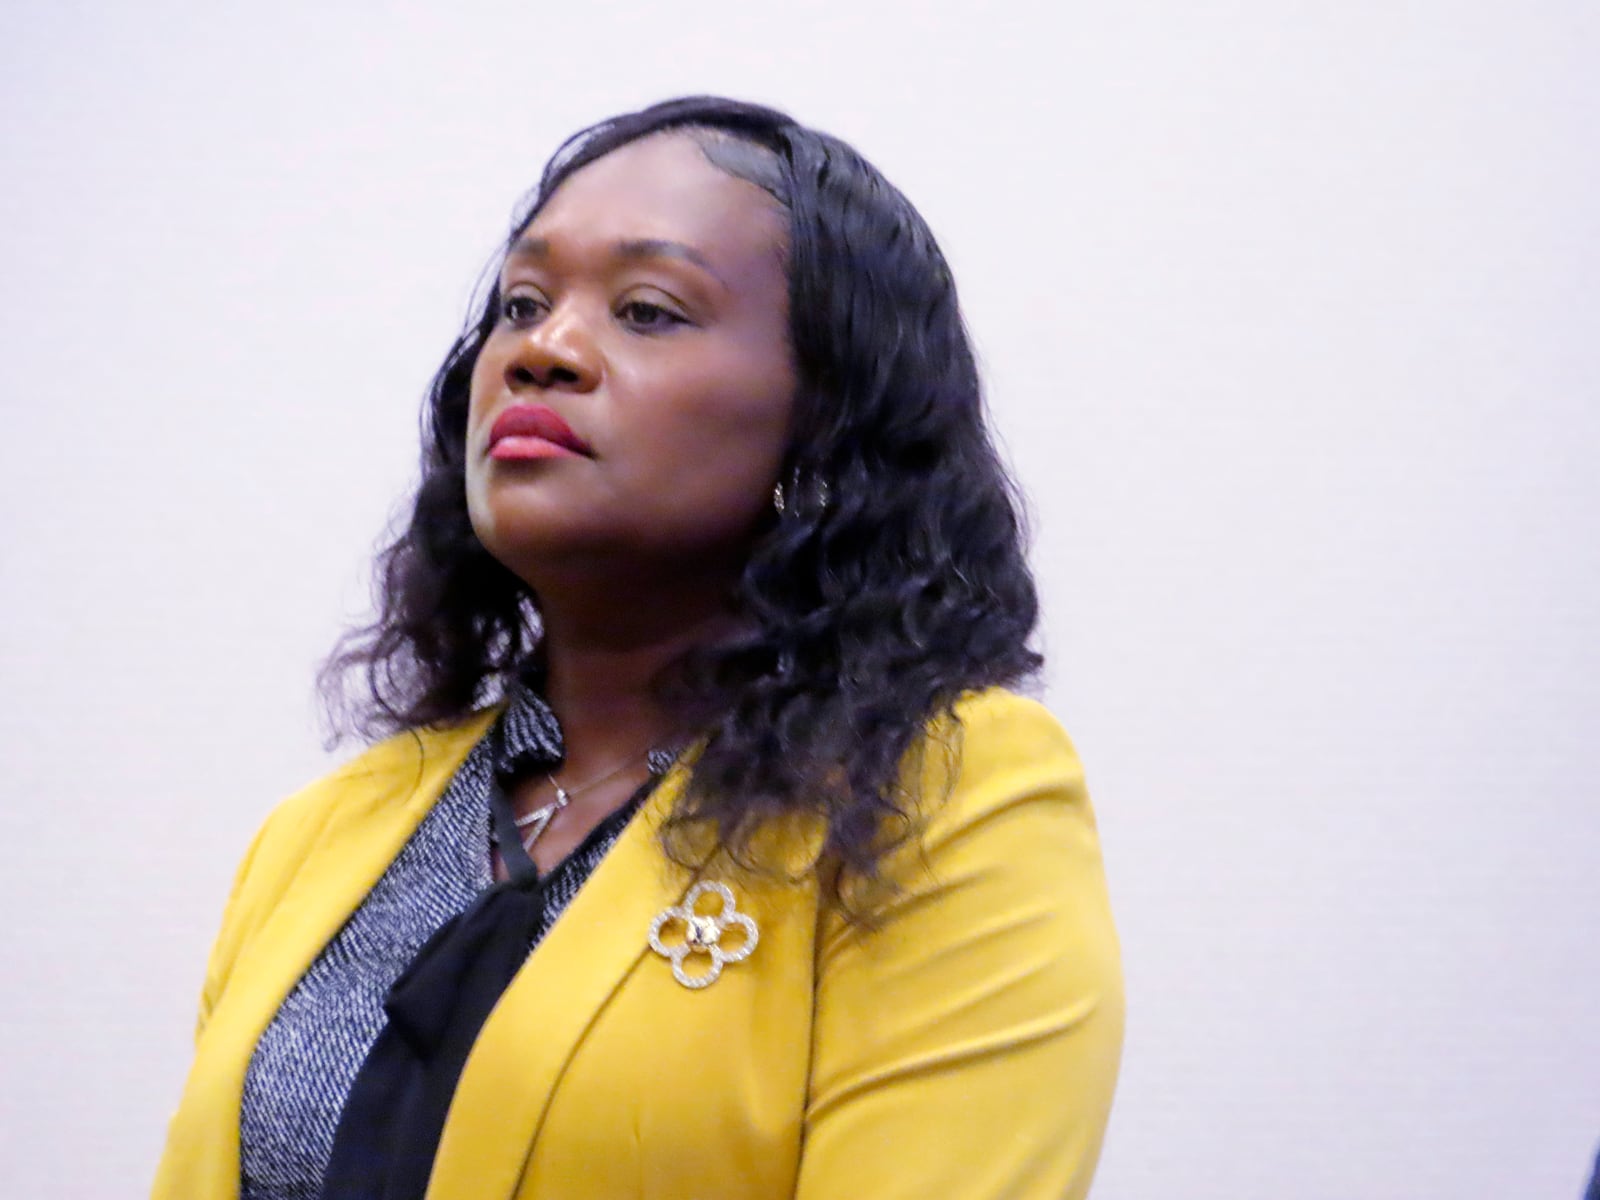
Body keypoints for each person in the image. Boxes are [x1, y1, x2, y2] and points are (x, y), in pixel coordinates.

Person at [152, 95, 1124, 1200]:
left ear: (823, 424)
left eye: (649, 311)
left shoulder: (938, 799)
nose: (544, 350)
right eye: (520, 302)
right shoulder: (320, 836)